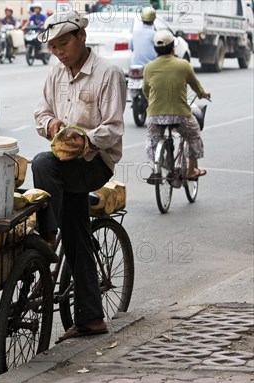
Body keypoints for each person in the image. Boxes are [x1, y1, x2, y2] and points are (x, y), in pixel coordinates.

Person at [31, 11, 126, 343]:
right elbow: (41, 113)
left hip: (95, 162)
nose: (59, 52)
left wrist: (84, 140)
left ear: (82, 38)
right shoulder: (55, 73)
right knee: (76, 231)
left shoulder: (107, 73)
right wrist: (54, 127)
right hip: (66, 163)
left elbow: (113, 129)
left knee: (42, 163)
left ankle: (46, 237)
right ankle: (91, 318)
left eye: (64, 43)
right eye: (54, 47)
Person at [143, 30, 211, 181]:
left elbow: (146, 90)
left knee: (152, 139)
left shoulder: (149, 67)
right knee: (194, 135)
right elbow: (196, 87)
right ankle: (191, 171)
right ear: (173, 47)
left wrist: (152, 100)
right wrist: (203, 94)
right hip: (180, 115)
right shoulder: (183, 65)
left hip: (155, 115)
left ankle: (155, 166)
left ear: (155, 49)